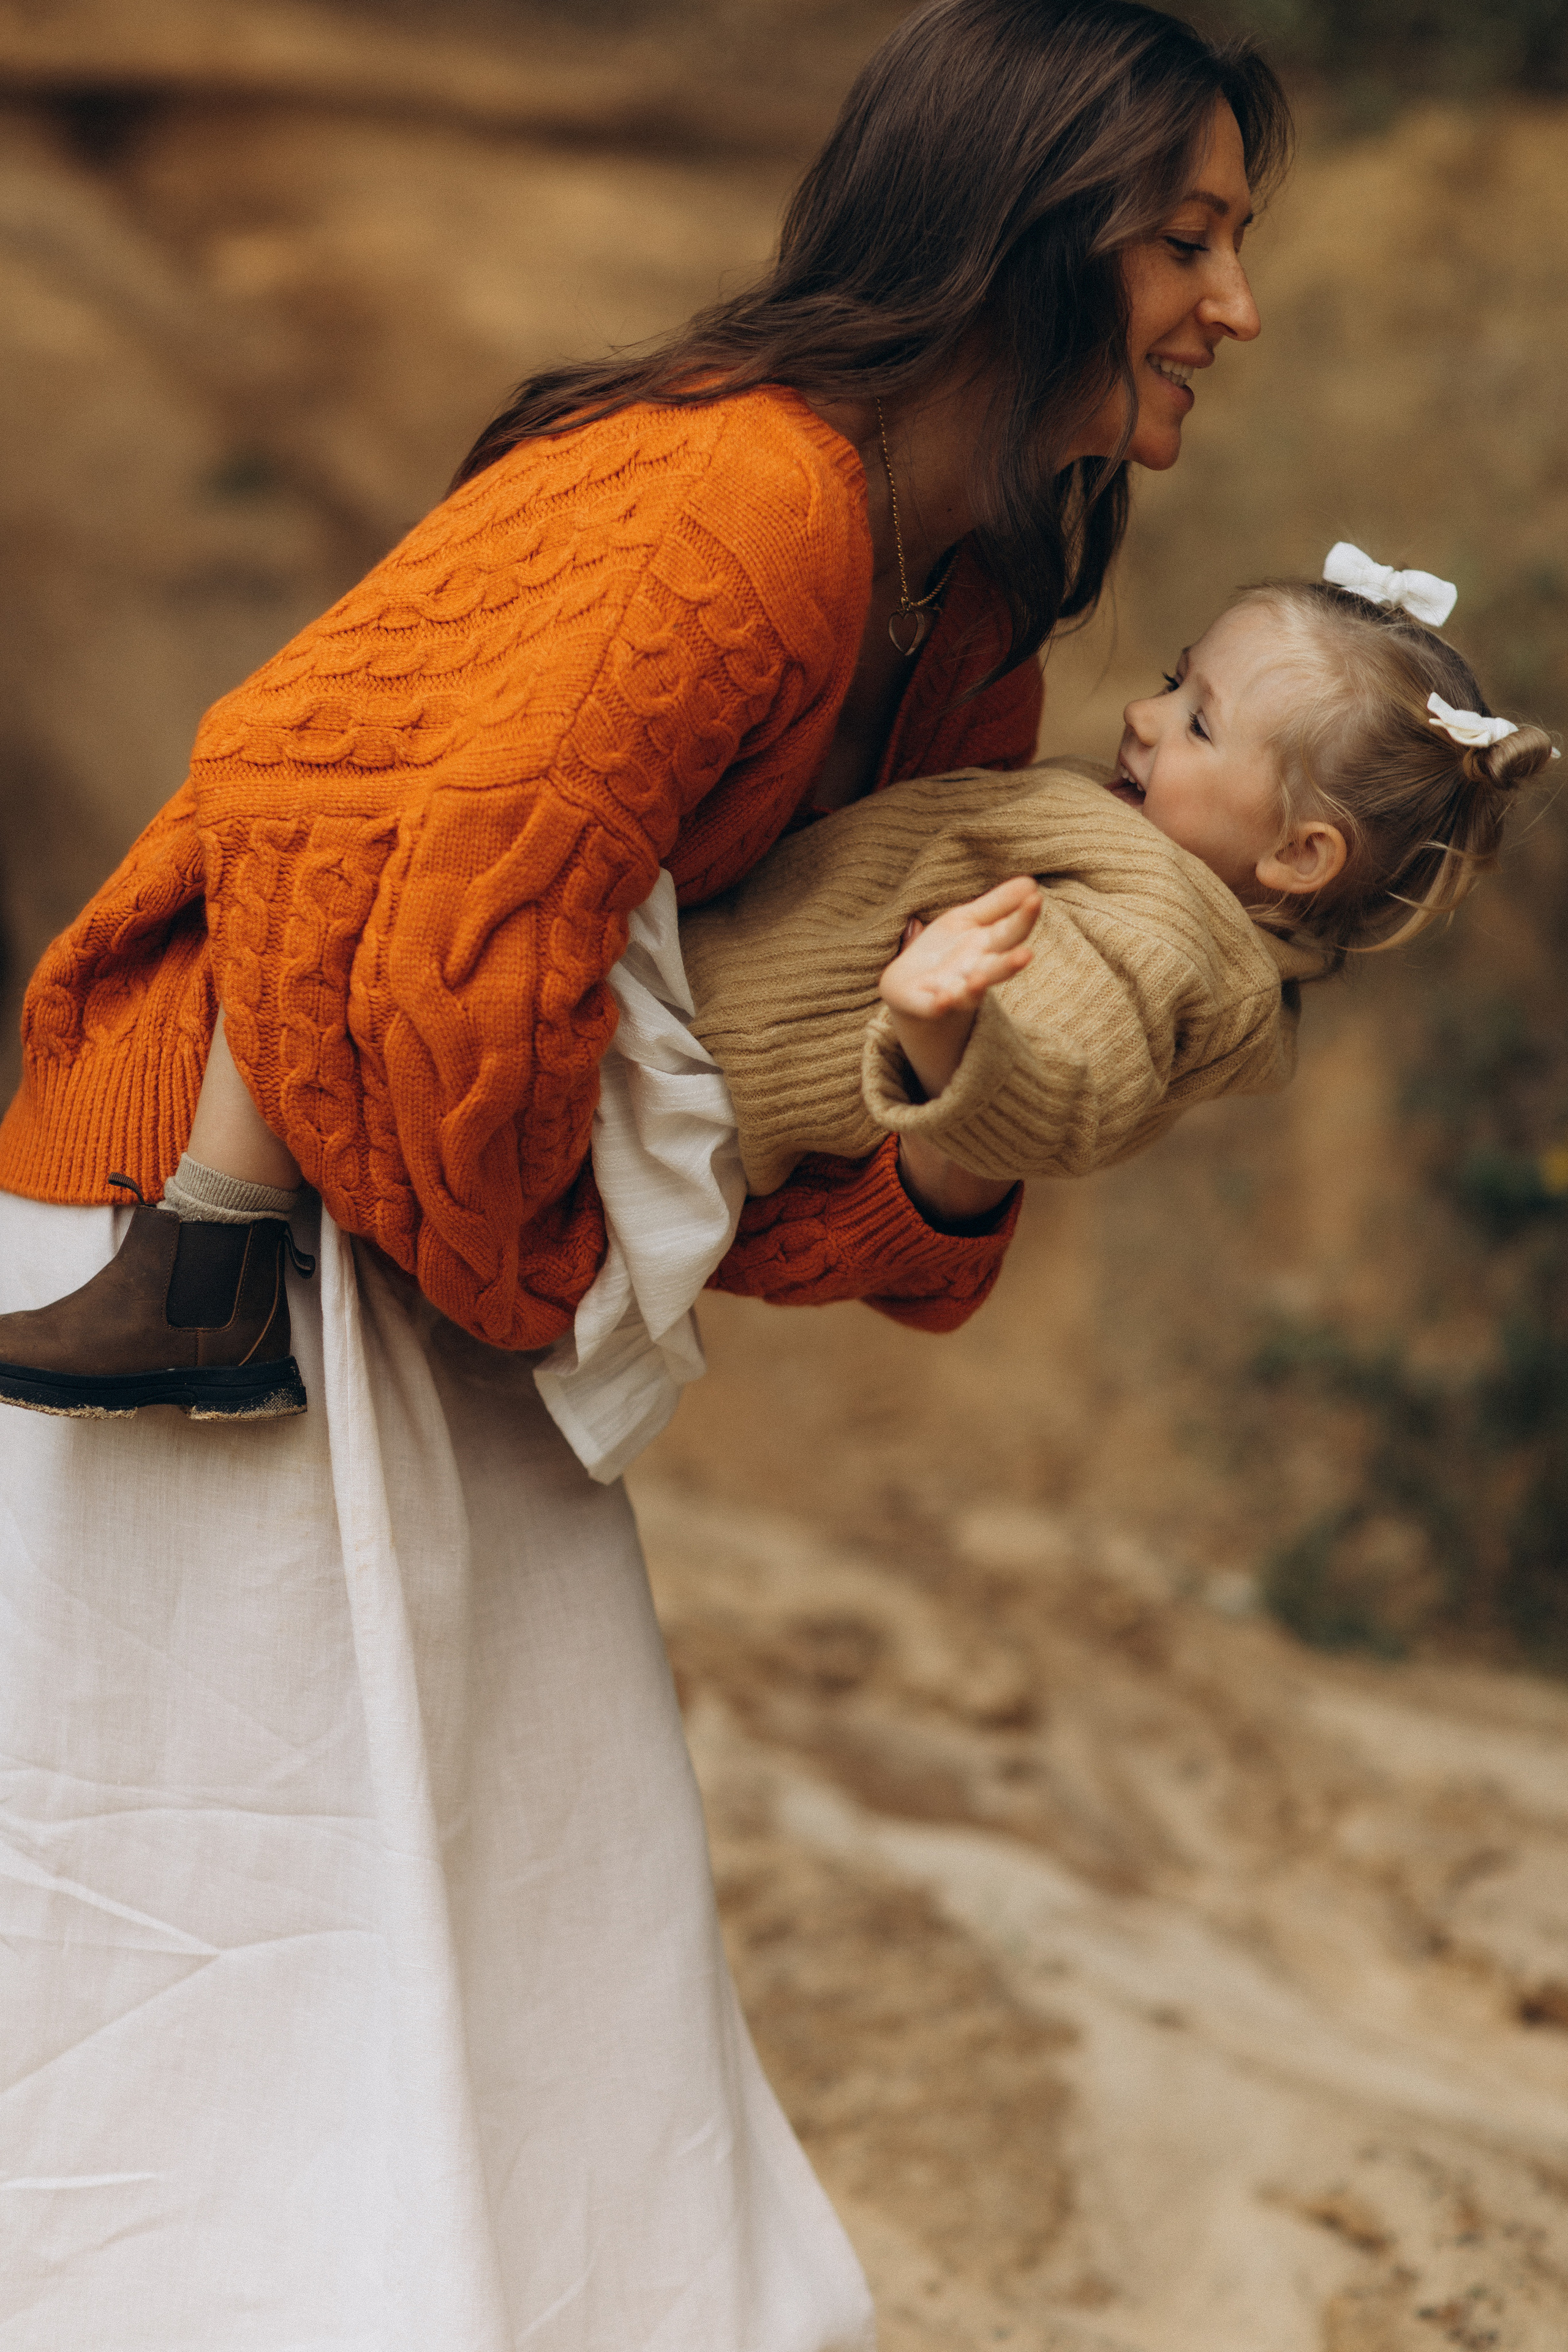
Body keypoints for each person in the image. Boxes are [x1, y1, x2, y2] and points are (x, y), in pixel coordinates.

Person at [0, 5, 1293, 2345]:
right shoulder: (748, 507)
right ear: (1022, 238)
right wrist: (566, 1266)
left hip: (440, 1231)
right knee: (195, 1979)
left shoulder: (965, 618)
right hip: (224, 1219)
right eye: (1185, 237)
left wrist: (951, 1133)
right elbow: (405, 904)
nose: (1236, 301)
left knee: (540, 1928)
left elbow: (744, 1103)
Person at [4, 551, 1548, 1480]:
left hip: (676, 1074)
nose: (1144, 716)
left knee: (354, 876)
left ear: (1296, 857)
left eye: (1197, 720)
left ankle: (202, 1266)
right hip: (686, 1005)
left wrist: (953, 1031)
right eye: (1167, 680)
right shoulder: (1144, 846)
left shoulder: (1164, 939)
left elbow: (1065, 1083)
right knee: (384, 881)